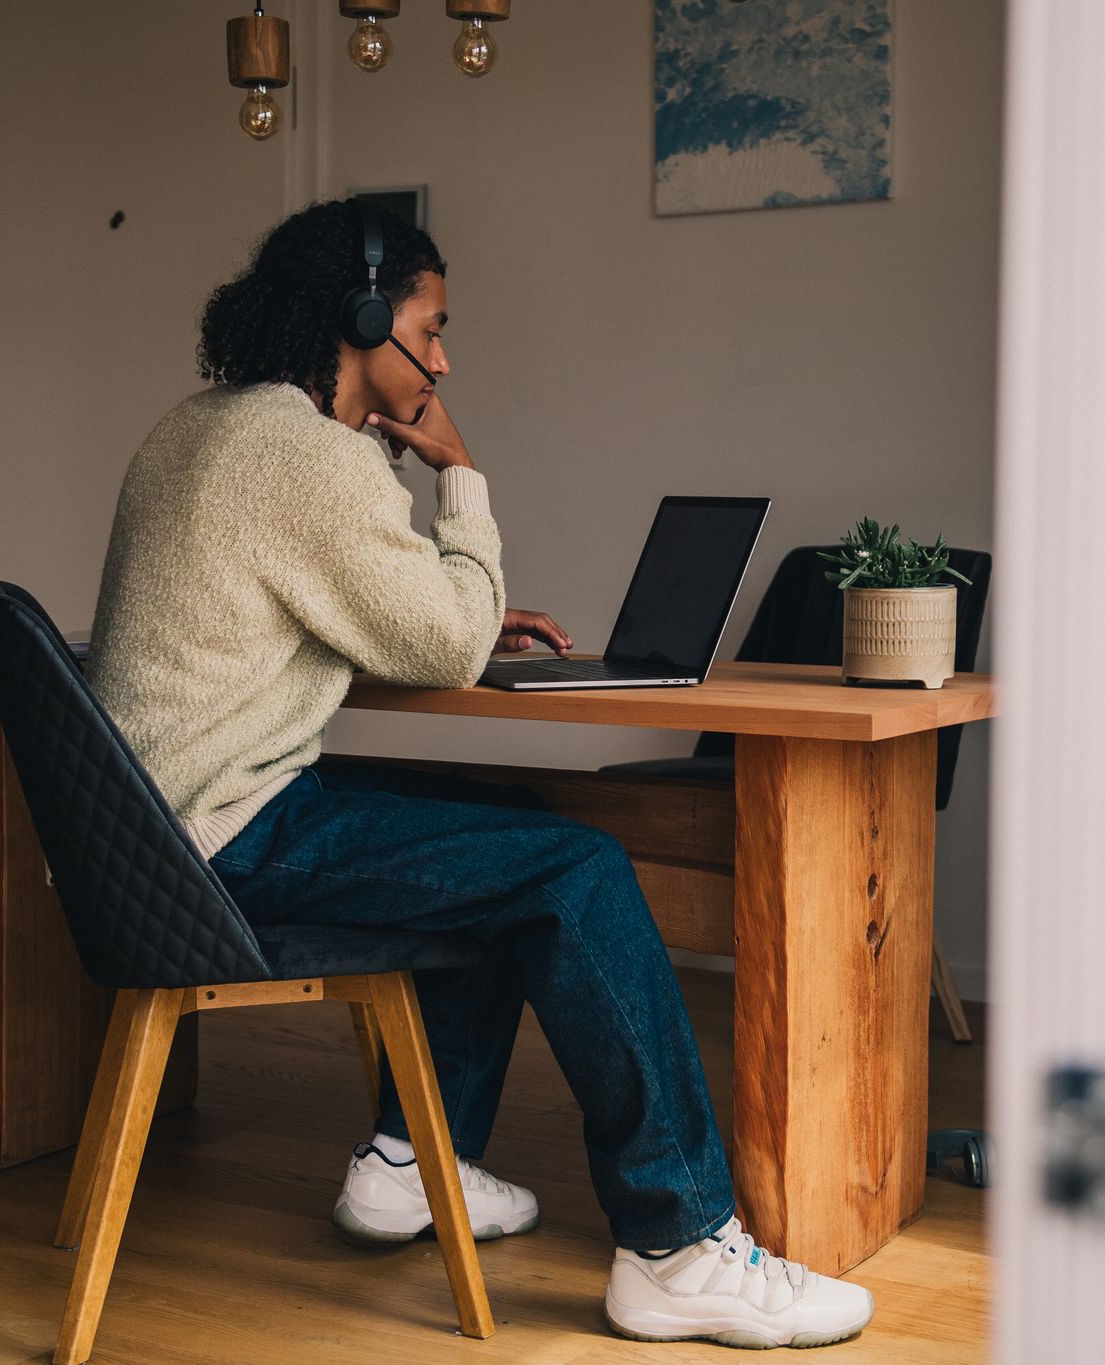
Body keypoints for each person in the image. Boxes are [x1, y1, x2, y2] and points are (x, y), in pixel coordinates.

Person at [85, 197, 874, 1349]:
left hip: (145, 841)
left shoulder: (201, 428)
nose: (443, 361)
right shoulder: (309, 456)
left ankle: (414, 1159)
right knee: (577, 870)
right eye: (431, 329)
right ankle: (679, 1244)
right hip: (226, 840)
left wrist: (447, 608)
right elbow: (444, 641)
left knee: (501, 827)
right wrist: (460, 473)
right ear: (361, 319)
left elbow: (361, 611)